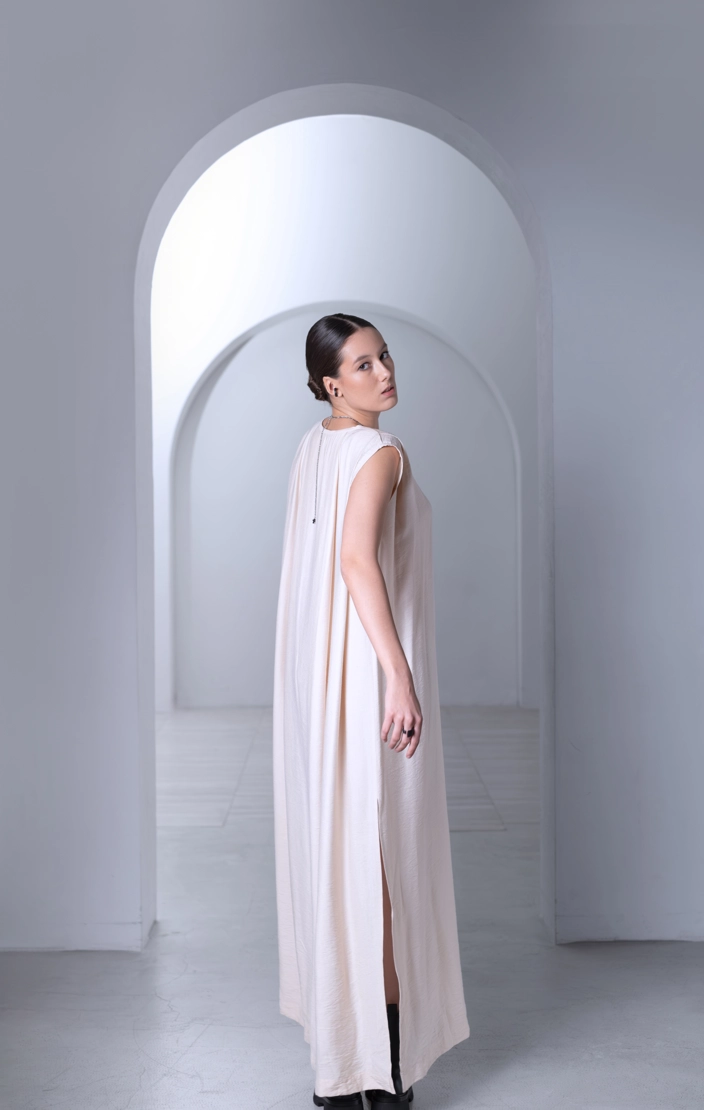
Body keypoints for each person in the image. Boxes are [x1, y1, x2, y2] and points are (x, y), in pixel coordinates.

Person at [273, 313, 469, 1109]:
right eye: (362, 365)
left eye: (383, 356)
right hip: (363, 677)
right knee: (383, 865)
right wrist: (399, 676)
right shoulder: (381, 453)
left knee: (339, 853)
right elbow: (356, 561)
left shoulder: (312, 445)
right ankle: (379, 1076)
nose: (384, 372)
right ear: (331, 384)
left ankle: (342, 1067)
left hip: (314, 679)